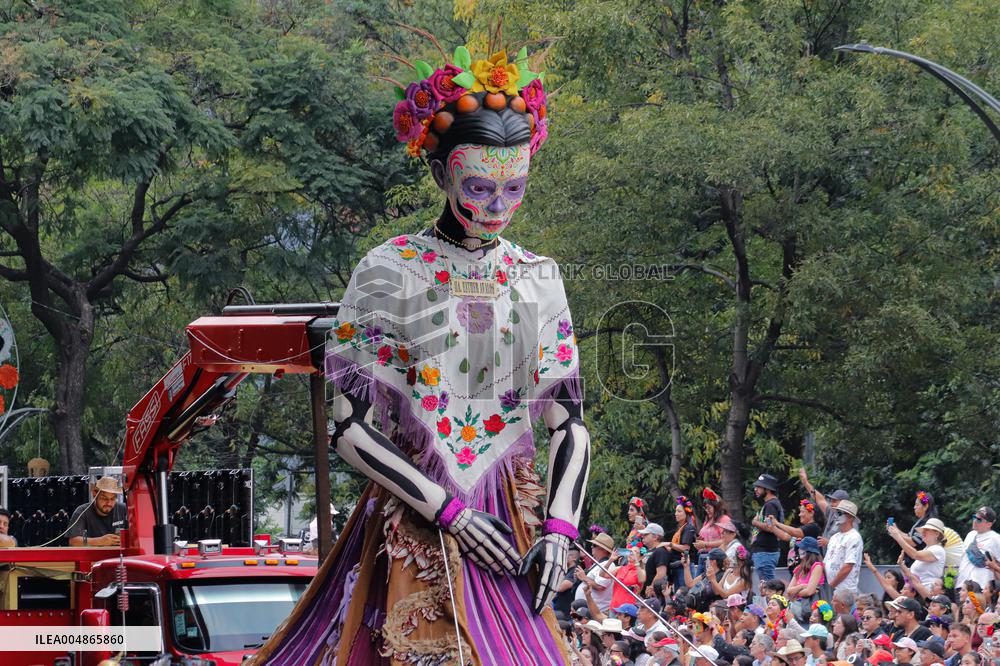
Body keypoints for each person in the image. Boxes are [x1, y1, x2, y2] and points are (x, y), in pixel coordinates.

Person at [254, 44, 586, 666]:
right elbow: (350, 431)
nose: (498, 206)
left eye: (514, 187)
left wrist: (562, 530)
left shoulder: (538, 276)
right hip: (418, 508)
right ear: (442, 176)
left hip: (513, 519)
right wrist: (449, 512)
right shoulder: (388, 271)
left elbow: (568, 422)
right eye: (480, 187)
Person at [67, 476, 128, 547]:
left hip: (118, 556)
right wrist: (100, 541)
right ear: (94, 494)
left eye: (112, 499)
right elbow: (73, 541)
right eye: (104, 498)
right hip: (92, 556)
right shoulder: (82, 511)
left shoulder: (123, 509)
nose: (108, 503)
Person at [889, 517, 947, 590]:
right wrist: (902, 565)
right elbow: (912, 574)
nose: (923, 532)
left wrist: (898, 536)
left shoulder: (938, 549)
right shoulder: (926, 549)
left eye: (927, 530)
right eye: (923, 530)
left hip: (929, 592)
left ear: (937, 533)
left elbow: (915, 554)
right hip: (919, 591)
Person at [798, 468, 849, 548]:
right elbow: (819, 499)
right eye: (831, 501)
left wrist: (828, 542)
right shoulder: (832, 512)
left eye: (835, 501)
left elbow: (849, 543)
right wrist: (805, 482)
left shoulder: (850, 520)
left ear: (844, 503)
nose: (831, 504)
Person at [751, 474, 785, 582]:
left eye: (759, 487)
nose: (755, 489)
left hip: (766, 553)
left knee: (769, 586)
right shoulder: (770, 504)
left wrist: (755, 522)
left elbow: (770, 527)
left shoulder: (770, 505)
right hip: (765, 553)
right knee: (766, 586)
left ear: (768, 489)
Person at [955, 507, 1000, 590]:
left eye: (979, 519)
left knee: (974, 603)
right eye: (974, 517)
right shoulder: (970, 535)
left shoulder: (996, 539)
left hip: (979, 589)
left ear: (989, 524)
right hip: (961, 587)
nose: (975, 521)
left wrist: (995, 567)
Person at [824, 501, 863, 594]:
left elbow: (848, 566)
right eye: (835, 513)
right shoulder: (834, 537)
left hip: (845, 590)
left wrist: (831, 585)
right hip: (832, 588)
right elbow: (826, 562)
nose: (835, 516)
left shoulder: (854, 537)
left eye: (839, 513)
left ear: (850, 517)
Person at [578, 533, 617, 613]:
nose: (591, 547)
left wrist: (584, 577)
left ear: (603, 549)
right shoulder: (599, 563)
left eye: (594, 545)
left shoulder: (609, 565)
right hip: (587, 610)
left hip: (596, 611)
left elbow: (600, 586)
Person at [696, 488, 729, 575]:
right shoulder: (708, 520)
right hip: (702, 557)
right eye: (705, 508)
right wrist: (699, 542)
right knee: (697, 586)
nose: (707, 511)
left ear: (716, 507)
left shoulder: (723, 519)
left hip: (714, 560)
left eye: (709, 508)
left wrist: (706, 544)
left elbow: (726, 541)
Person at [787, 537, 826, 605]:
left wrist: (795, 592)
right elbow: (789, 591)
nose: (799, 550)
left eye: (802, 548)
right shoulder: (799, 568)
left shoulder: (817, 567)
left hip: (810, 607)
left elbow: (809, 592)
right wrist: (802, 586)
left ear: (809, 551)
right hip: (797, 605)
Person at [670, 497, 699, 586]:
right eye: (675, 511)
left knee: (684, 593)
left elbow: (685, 548)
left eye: (679, 511)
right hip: (679, 565)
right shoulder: (681, 528)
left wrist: (670, 545)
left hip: (685, 565)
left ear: (686, 514)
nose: (676, 514)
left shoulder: (688, 527)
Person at [640, 523, 672, 597]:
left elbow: (661, 573)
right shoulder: (650, 551)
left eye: (646, 534)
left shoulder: (660, 551)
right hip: (645, 593)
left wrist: (651, 587)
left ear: (655, 537)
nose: (642, 536)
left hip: (655, 594)